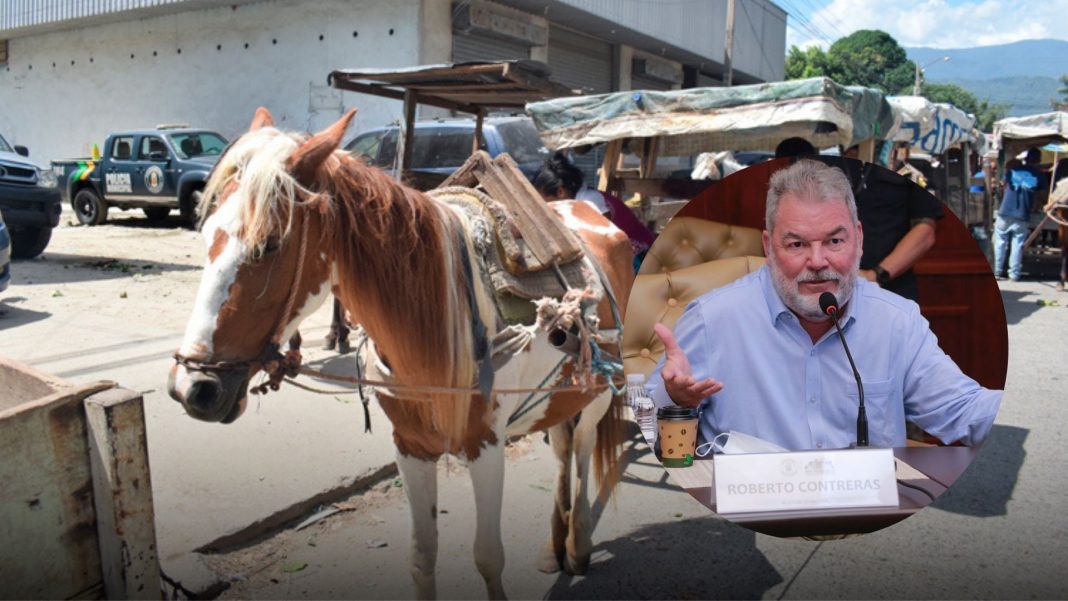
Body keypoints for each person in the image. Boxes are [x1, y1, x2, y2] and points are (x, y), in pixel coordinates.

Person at [646, 159, 1000, 451]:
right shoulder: (712, 320)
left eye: (834, 241)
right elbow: (648, 423)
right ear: (769, 248)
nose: (818, 261)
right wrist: (676, 400)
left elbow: (964, 411)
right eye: (797, 244)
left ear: (858, 240)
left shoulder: (897, 320)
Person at [817, 155, 942, 302]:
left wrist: (874, 276)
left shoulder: (914, 156)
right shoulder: (814, 153)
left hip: (891, 286)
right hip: (826, 285)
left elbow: (925, 230)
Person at [534, 152, 656, 267]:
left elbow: (605, 242)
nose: (545, 206)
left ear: (560, 192)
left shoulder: (590, 202)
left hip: (640, 258)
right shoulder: (576, 203)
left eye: (545, 200)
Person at [994, 147, 1046, 281]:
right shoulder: (1040, 175)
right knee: (1017, 244)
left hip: (1004, 211)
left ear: (1026, 159)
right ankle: (1014, 274)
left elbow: (1003, 186)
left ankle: (997, 271)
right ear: (1039, 161)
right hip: (1022, 214)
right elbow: (1042, 196)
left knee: (1000, 242)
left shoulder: (1012, 171)